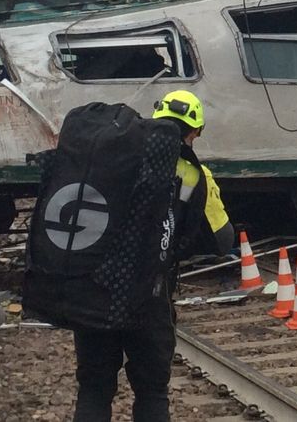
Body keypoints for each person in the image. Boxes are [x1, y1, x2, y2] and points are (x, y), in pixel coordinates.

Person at [72, 89, 230, 422]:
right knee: (152, 393)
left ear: (155, 118)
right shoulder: (192, 173)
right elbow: (222, 240)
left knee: (94, 389)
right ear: (196, 131)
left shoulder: (112, 154)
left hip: (94, 290)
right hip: (149, 294)